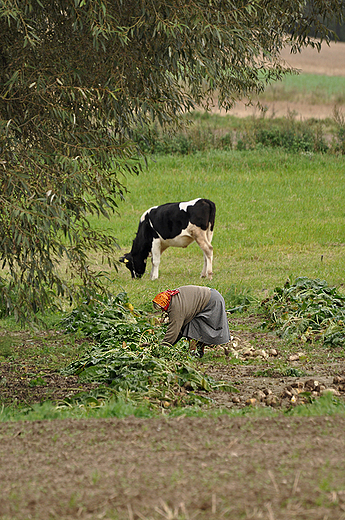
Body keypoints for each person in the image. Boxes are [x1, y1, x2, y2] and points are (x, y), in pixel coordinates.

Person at [152, 285, 230, 357]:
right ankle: (198, 352)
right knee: (195, 325)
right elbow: (179, 329)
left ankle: (193, 353)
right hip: (212, 296)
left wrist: (163, 346)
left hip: (212, 301)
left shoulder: (176, 307)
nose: (162, 311)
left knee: (193, 327)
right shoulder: (172, 296)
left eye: (162, 308)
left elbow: (174, 330)